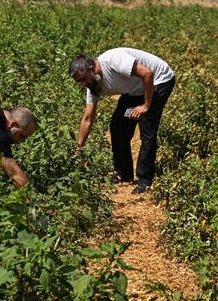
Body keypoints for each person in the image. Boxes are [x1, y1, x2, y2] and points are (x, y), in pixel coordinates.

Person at [70, 48, 176, 194]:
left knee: (147, 128)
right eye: (79, 82)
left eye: (83, 79)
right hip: (135, 90)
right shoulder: (93, 85)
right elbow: (87, 118)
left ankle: (145, 180)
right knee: (117, 127)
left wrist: (145, 105)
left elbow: (147, 73)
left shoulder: (114, 60)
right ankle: (124, 174)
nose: (83, 84)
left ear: (91, 68)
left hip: (158, 80)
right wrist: (78, 149)